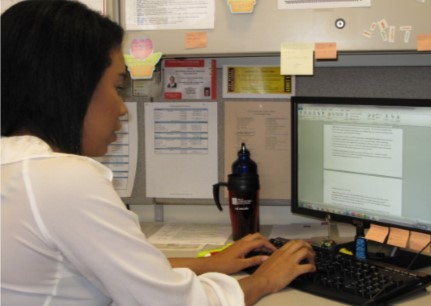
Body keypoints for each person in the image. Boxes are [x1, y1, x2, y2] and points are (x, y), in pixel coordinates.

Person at [0, 1, 316, 306]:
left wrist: (209, 264)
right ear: (74, 86)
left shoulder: (17, 169)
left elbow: (118, 269)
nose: (123, 109)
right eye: (117, 86)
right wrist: (264, 280)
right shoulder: (61, 181)